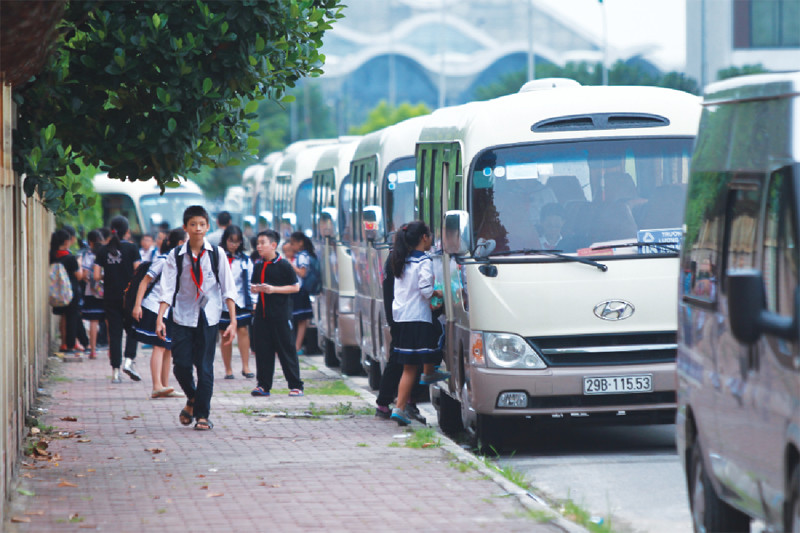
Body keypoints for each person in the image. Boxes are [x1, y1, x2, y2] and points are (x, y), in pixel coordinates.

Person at [155, 205, 238, 431]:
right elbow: (167, 289)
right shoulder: (175, 256)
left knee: (205, 368)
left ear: (208, 226)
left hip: (208, 317)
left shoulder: (217, 254)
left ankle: (203, 415)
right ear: (185, 228)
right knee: (180, 366)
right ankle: (192, 398)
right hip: (182, 316)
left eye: (202, 224)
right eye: (193, 224)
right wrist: (160, 317)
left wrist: (232, 320)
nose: (198, 228)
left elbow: (228, 288)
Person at [389, 221, 449, 426]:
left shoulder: (401, 259)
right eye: (430, 235)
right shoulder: (424, 260)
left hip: (402, 317)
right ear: (424, 238)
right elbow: (425, 289)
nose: (431, 239)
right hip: (417, 317)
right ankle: (429, 373)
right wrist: (437, 292)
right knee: (436, 333)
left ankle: (400, 407)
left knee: (408, 368)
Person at [132, 228, 187, 399]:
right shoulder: (164, 260)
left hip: (168, 310)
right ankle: (157, 385)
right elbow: (145, 281)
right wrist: (137, 305)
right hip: (154, 308)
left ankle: (165, 385)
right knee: (159, 346)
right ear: (180, 243)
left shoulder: (180, 261)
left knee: (167, 347)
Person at [249, 229, 304, 398]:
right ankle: (263, 385)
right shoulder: (258, 265)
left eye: (263, 243)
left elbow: (295, 287)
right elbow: (253, 286)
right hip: (262, 315)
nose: (259, 246)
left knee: (286, 350)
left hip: (281, 315)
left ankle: (296, 385)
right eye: (258, 243)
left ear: (273, 245)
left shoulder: (284, 265)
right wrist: (256, 289)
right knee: (263, 351)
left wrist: (274, 290)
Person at [94, 216, 141, 383]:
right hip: (129, 297)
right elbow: (138, 271)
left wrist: (108, 278)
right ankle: (129, 361)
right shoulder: (133, 248)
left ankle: (115, 372)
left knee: (114, 334)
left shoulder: (102, 250)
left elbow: (96, 275)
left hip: (110, 297)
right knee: (133, 329)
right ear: (127, 231)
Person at [217, 225, 255, 380]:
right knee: (224, 334)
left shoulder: (245, 260)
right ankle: (228, 369)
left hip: (240, 301)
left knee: (243, 330)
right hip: (221, 301)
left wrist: (253, 302)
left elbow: (251, 281)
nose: (234, 244)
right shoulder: (218, 257)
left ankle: (246, 366)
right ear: (225, 240)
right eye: (231, 241)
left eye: (237, 241)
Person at [50, 229, 86, 354]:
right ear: (67, 241)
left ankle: (64, 343)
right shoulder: (70, 258)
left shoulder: (53, 255)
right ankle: (71, 345)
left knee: (63, 317)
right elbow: (79, 276)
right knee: (72, 318)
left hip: (58, 291)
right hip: (71, 292)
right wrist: (79, 263)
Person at [288, 231, 315, 355]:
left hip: (300, 291)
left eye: (293, 243)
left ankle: (297, 346)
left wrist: (291, 265)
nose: (291, 246)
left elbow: (302, 273)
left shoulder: (302, 256)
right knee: (299, 319)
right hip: (298, 291)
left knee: (301, 320)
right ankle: (296, 345)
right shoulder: (301, 255)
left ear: (300, 243)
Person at [80, 230, 105, 359]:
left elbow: (84, 275)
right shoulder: (106, 253)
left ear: (90, 242)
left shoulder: (88, 255)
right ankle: (112, 351)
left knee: (94, 321)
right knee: (108, 321)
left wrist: (91, 281)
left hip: (91, 292)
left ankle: (93, 350)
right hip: (106, 293)